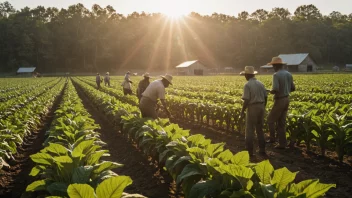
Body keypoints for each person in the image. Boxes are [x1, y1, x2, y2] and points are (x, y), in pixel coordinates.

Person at [267, 57, 296, 149]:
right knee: (281, 122)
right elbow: (293, 88)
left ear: (275, 66)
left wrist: (268, 91)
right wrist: (285, 90)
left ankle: (272, 139)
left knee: (270, 120)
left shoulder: (276, 75)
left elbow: (275, 89)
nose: (273, 67)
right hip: (287, 99)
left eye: (273, 66)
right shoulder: (288, 74)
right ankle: (283, 144)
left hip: (279, 100)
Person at [239, 66, 267, 156]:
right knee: (260, 129)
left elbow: (246, 100)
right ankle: (262, 149)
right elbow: (266, 97)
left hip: (252, 107)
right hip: (261, 106)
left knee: (250, 130)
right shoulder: (261, 84)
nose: (245, 77)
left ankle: (249, 151)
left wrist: (242, 111)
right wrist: (263, 107)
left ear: (247, 75)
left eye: (245, 75)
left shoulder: (247, 85)